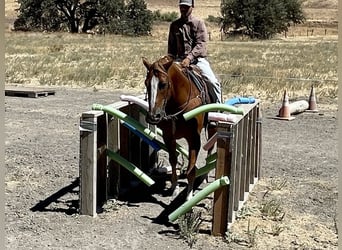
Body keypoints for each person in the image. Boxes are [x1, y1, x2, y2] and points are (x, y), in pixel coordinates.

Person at [167, 0, 222, 103]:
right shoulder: (174, 25)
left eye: (186, 7)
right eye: (182, 6)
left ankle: (218, 109)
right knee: (161, 78)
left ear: (192, 7)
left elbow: (201, 43)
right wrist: (168, 59)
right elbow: (171, 47)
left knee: (213, 82)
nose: (183, 9)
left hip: (197, 60)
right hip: (179, 60)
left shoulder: (198, 23)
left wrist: (189, 58)